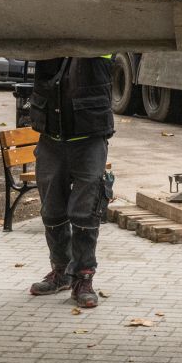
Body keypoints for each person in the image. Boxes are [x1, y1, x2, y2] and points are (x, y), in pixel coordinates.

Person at [26, 55, 115, 307]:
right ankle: (61, 271)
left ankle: (83, 278)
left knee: (86, 212)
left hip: (89, 139)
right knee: (52, 210)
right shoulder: (47, 40)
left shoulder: (99, 43)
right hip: (51, 138)